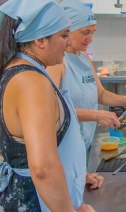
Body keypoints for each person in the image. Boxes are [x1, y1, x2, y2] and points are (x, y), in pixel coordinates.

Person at [0, 0, 95, 211]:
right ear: (41, 40)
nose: (68, 43)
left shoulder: (25, 70)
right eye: (63, 35)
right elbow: (43, 168)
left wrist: (77, 175)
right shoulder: (31, 82)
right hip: (35, 201)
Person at [46, 0, 126, 151]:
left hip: (85, 141)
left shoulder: (83, 57)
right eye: (85, 33)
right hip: (65, 146)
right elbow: (51, 110)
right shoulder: (57, 62)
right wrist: (96, 115)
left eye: (93, 33)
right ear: (67, 30)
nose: (90, 39)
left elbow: (101, 94)